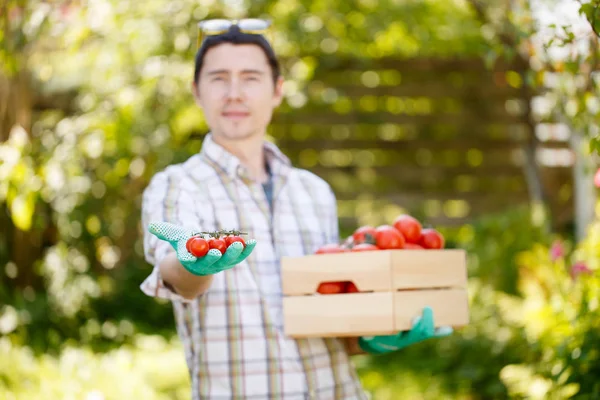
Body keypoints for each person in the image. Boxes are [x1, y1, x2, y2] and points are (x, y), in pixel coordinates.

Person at [140, 18, 451, 400]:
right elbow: (174, 274)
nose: (234, 93)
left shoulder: (314, 192)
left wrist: (373, 339)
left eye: (251, 78)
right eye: (219, 78)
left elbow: (329, 316)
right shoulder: (177, 185)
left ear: (277, 91)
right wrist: (192, 263)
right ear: (197, 91)